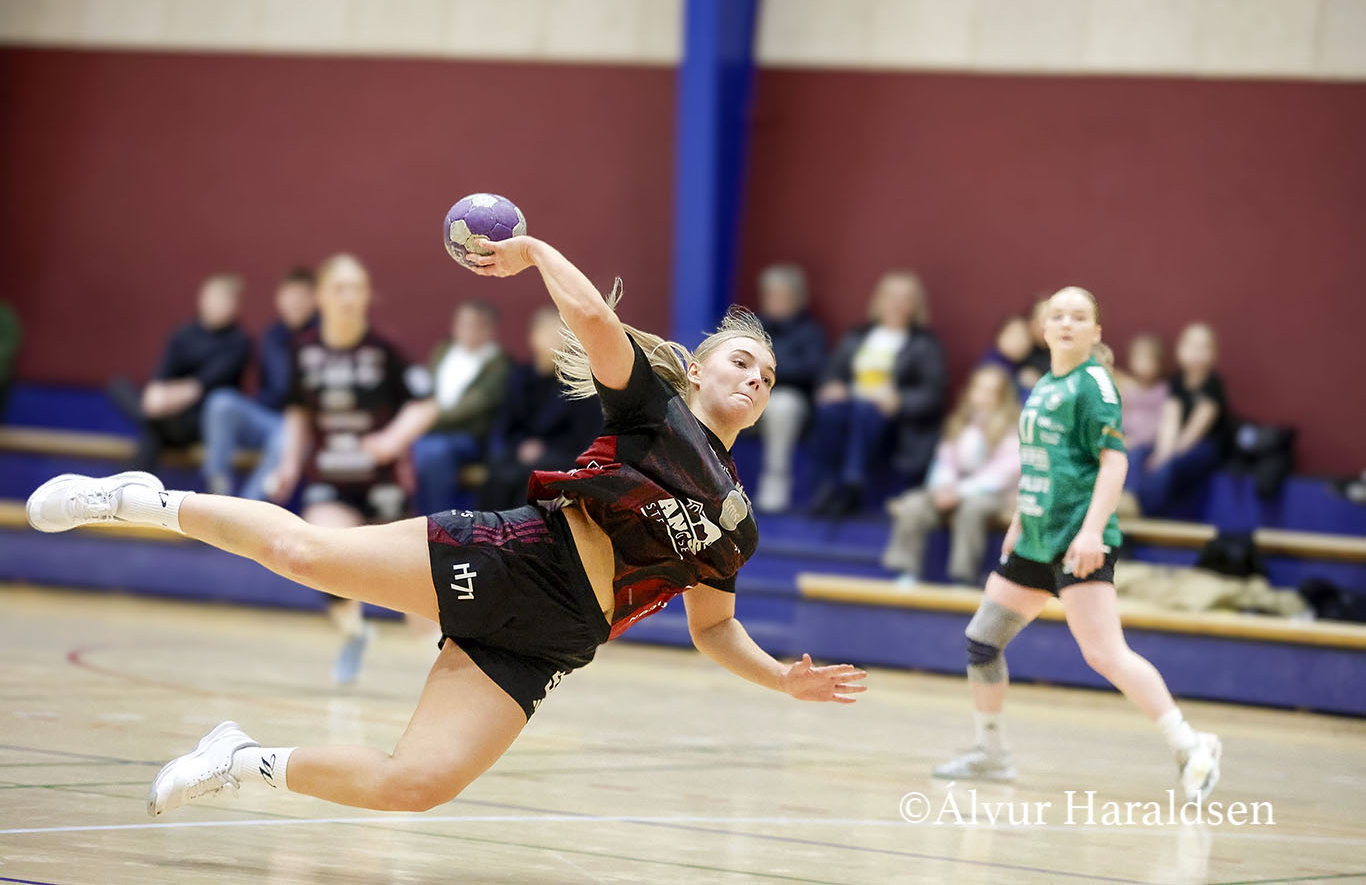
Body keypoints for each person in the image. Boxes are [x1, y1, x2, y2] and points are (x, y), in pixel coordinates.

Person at [26, 233, 866, 819]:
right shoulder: (655, 412)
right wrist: (536, 253)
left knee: (416, 785)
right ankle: (137, 500)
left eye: (768, 375)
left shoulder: (735, 525)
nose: (755, 378)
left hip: (552, 642)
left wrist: (780, 679)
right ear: (699, 370)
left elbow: (713, 629)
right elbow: (595, 324)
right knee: (301, 551)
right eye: (741, 361)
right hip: (515, 559)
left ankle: (239, 761)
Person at [931, 287, 1221, 804]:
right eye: (1057, 315)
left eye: (1079, 317)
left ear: (1096, 331)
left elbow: (1115, 461)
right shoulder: (1045, 384)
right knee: (983, 641)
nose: (1066, 323)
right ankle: (991, 753)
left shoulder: (1094, 386)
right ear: (1043, 329)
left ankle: (1190, 744)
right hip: (1036, 538)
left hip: (1077, 540)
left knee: (1106, 655)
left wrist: (1090, 532)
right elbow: (1039, 460)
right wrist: (1020, 517)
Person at [265, 254, 438, 684]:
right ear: (320, 296)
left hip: (384, 482)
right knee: (319, 553)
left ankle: (446, 667)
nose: (349, 297)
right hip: (330, 479)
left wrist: (392, 439)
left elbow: (426, 403)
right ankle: (355, 632)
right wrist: (288, 465)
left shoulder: (385, 349)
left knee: (413, 588)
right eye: (339, 288)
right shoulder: (302, 351)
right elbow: (298, 413)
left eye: (357, 288)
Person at [808, 271, 947, 517]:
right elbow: (831, 373)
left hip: (893, 421)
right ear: (878, 300)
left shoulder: (924, 344)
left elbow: (932, 393)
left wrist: (900, 400)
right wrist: (833, 386)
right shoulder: (857, 336)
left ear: (915, 305)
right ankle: (831, 484)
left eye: (905, 298)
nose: (896, 304)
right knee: (829, 410)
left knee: (866, 410)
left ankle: (852, 483)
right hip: (849, 408)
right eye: (891, 296)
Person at [882, 364, 1020, 587]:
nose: (983, 396)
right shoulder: (959, 422)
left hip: (991, 495)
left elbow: (1002, 474)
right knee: (913, 504)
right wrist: (943, 487)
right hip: (951, 490)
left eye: (991, 391)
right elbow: (944, 461)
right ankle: (905, 570)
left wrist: (960, 492)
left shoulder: (1012, 428)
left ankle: (962, 577)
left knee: (972, 510)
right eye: (979, 389)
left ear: (1003, 397)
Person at [107, 275, 251, 469]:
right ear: (202, 298)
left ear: (236, 306)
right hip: (164, 413)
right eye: (216, 297)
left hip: (199, 422)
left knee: (155, 429)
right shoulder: (184, 333)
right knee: (118, 386)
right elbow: (161, 375)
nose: (220, 304)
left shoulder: (238, 342)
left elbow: (200, 385)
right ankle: (149, 421)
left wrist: (163, 402)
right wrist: (155, 395)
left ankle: (127, 486)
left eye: (227, 300)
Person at [200, 268, 317, 499]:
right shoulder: (271, 335)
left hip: (298, 424)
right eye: (289, 295)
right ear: (279, 298)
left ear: (315, 299)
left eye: (302, 296)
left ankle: (244, 511)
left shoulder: (322, 337)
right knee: (221, 402)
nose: (294, 302)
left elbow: (295, 391)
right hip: (263, 416)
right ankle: (216, 489)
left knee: (285, 442)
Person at [477, 307, 601, 511]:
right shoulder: (519, 377)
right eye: (547, 334)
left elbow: (585, 435)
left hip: (562, 454)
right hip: (520, 452)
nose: (554, 341)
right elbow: (506, 423)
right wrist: (519, 445)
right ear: (533, 337)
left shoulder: (580, 381)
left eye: (560, 335)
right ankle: (487, 528)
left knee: (534, 475)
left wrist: (544, 447)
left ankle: (524, 529)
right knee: (499, 472)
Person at [412, 301, 512, 514]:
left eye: (474, 325)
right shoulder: (443, 351)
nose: (467, 331)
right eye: (462, 324)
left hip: (469, 436)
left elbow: (475, 405)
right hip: (427, 429)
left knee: (433, 452)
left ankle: (437, 521)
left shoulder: (498, 364)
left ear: (489, 329)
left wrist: (423, 420)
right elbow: (426, 389)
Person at [1127, 323, 1229, 516]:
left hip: (1203, 444)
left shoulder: (1212, 385)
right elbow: (1170, 421)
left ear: (1214, 353)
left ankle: (1146, 511)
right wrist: (1161, 453)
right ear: (1180, 349)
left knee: (1169, 466)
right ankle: (1128, 499)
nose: (1196, 351)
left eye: (1203, 346)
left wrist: (1167, 457)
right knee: (1138, 453)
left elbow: (1196, 430)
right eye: (1190, 344)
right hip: (1174, 439)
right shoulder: (1176, 383)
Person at [751, 264, 826, 513]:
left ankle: (775, 481)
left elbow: (812, 370)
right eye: (771, 294)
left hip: (790, 402)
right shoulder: (751, 328)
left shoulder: (810, 330)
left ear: (797, 298)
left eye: (782, 295)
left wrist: (770, 371)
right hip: (750, 395)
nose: (775, 300)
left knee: (781, 405)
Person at [1115, 334, 1168, 454]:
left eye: (1149, 360)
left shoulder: (1162, 391)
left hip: (1146, 443)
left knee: (1135, 456)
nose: (1144, 365)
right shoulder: (1126, 388)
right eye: (1139, 359)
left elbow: (1160, 423)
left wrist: (1136, 441)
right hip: (1123, 437)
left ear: (1159, 363)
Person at [980, 314, 1037, 401]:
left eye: (1026, 338)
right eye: (1013, 335)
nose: (1019, 342)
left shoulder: (1023, 366)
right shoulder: (991, 363)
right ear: (1000, 335)